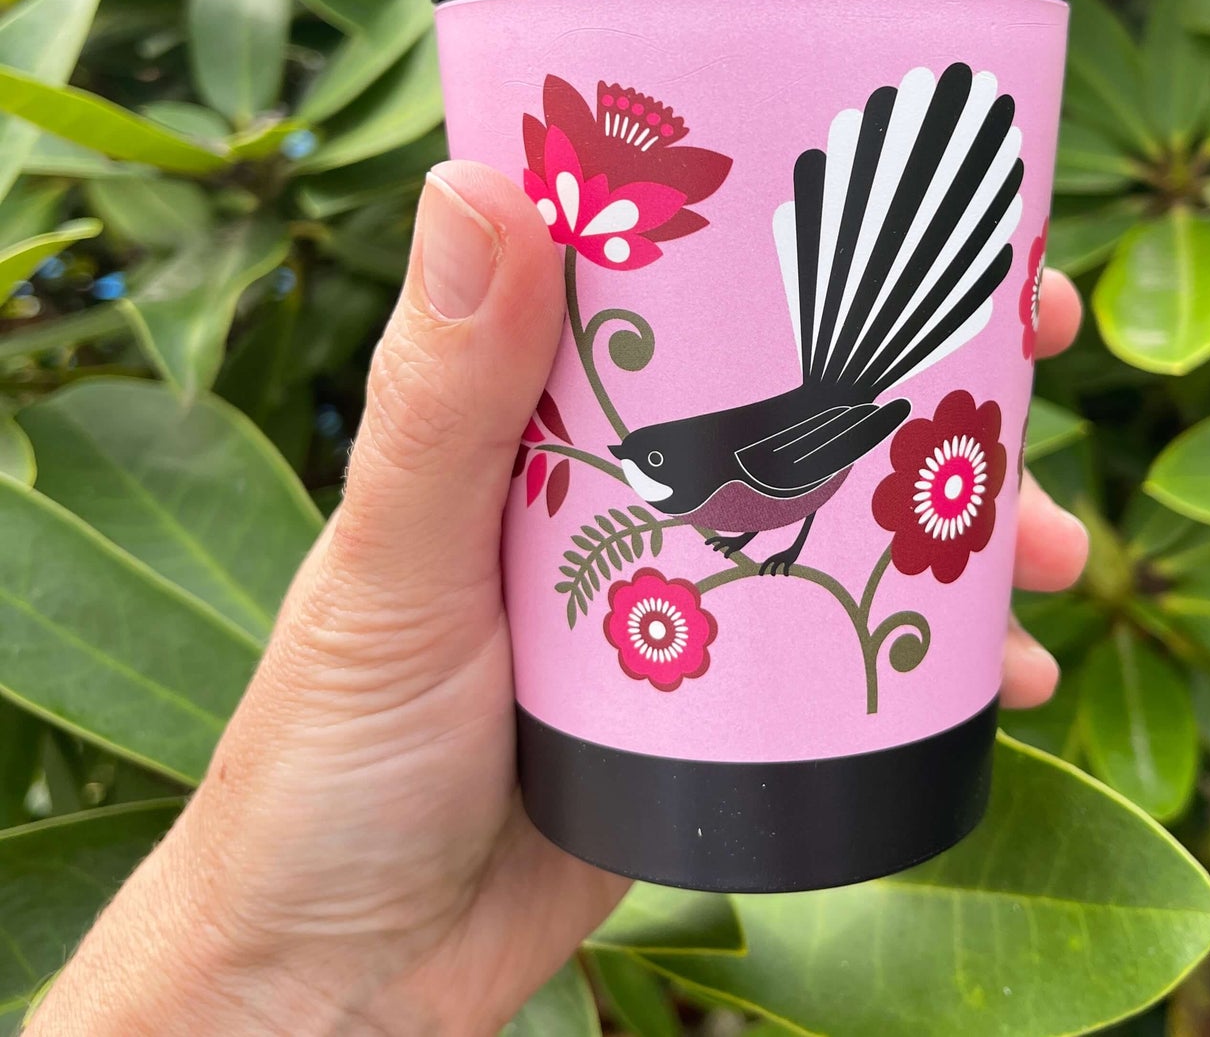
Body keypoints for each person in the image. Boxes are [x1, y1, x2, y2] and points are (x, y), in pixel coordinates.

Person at [29, 162, 1089, 1035]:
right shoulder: (694, 470)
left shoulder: (732, 469)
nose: (643, 485)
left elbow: (830, 446)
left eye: (651, 476)